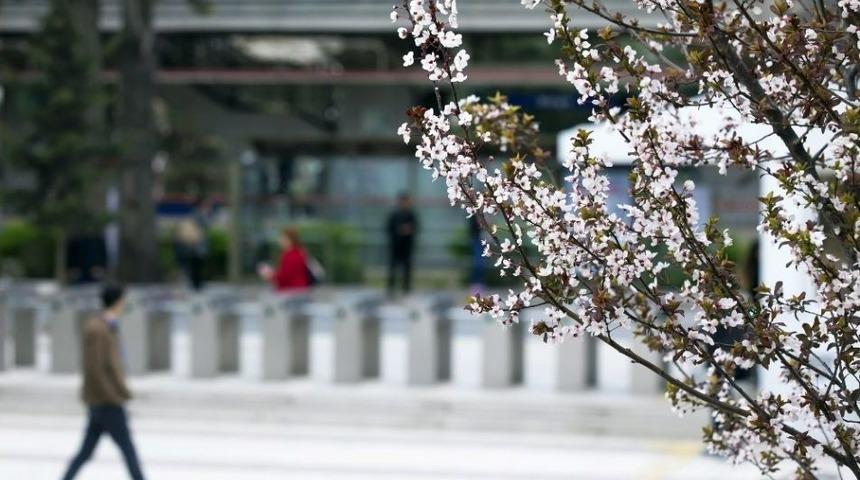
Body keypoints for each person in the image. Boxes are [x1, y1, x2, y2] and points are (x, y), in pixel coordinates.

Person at [62, 284, 145, 480]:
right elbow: (97, 369)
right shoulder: (99, 330)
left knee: (86, 452)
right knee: (128, 450)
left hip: (100, 401)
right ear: (117, 302)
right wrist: (115, 396)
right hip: (106, 402)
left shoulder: (107, 326)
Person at [259, 228, 312, 292]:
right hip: (301, 287)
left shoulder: (289, 255)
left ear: (289, 239)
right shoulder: (300, 252)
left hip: (291, 290)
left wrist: (270, 275)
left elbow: (286, 275)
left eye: (282, 238)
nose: (280, 241)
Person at [386, 193, 419, 296]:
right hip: (395, 246)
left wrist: (408, 230)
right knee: (393, 268)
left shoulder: (411, 215)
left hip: (407, 247)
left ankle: (406, 288)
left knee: (407, 268)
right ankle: (391, 288)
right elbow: (389, 228)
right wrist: (399, 230)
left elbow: (416, 228)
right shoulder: (394, 215)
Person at [175, 200, 209, 291]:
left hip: (194, 247)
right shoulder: (197, 216)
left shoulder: (192, 215)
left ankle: (195, 285)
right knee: (196, 268)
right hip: (196, 247)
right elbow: (202, 230)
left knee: (195, 268)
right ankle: (196, 286)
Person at [467, 216, 487, 295]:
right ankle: (476, 287)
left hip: (482, 240)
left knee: (481, 264)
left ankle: (478, 286)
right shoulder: (474, 215)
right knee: (479, 264)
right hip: (477, 239)